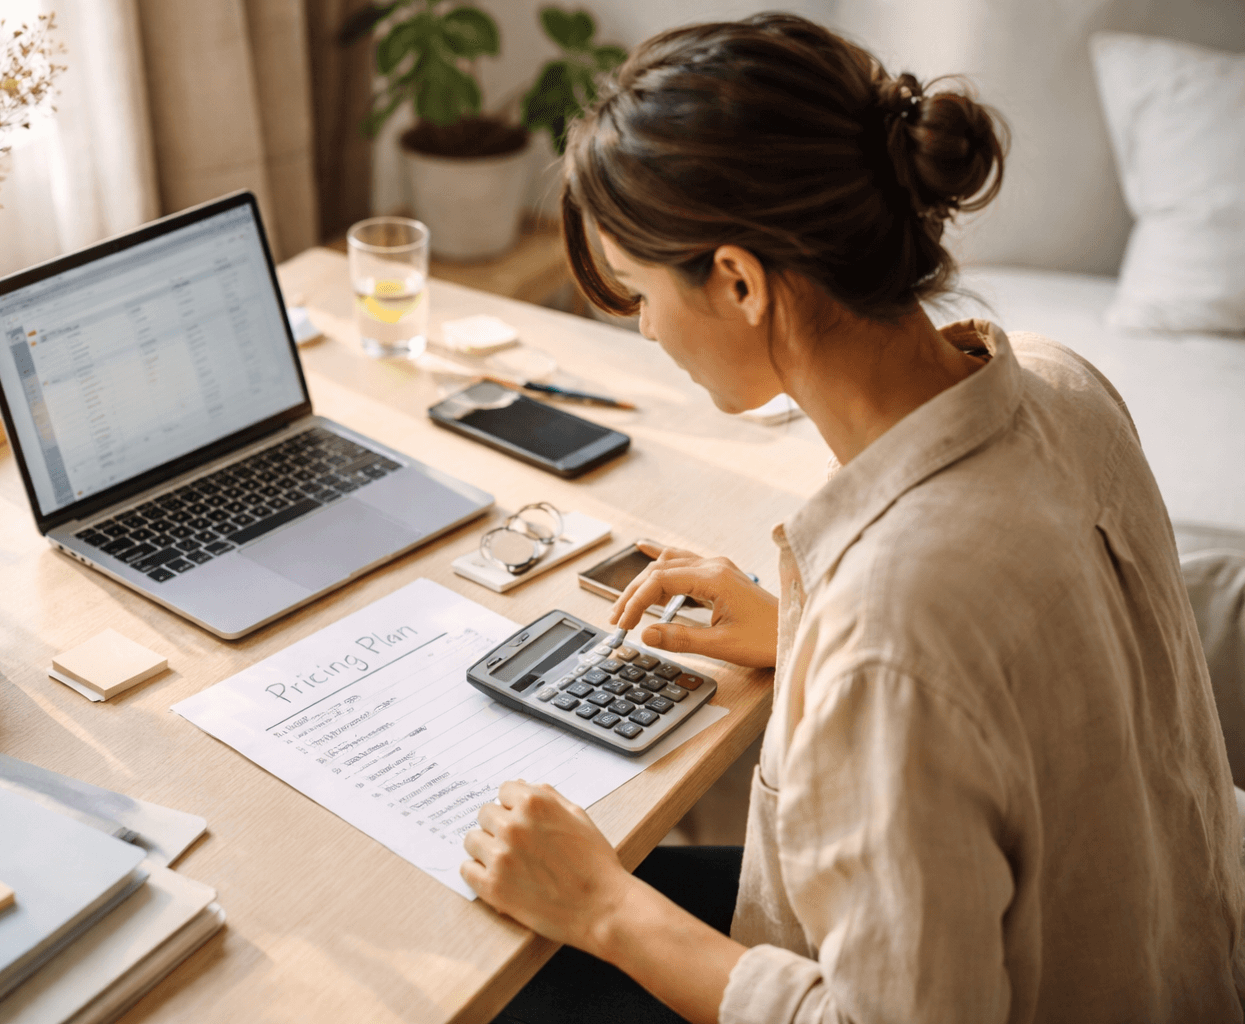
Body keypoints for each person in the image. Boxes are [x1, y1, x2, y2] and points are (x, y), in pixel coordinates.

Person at [459, 14, 1245, 1024]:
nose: (645, 327)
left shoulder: (894, 625)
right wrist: (807, 639)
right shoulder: (1063, 383)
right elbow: (1048, 667)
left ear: (738, 282)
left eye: (640, 292)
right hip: (1180, 945)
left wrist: (608, 908)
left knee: (510, 968)